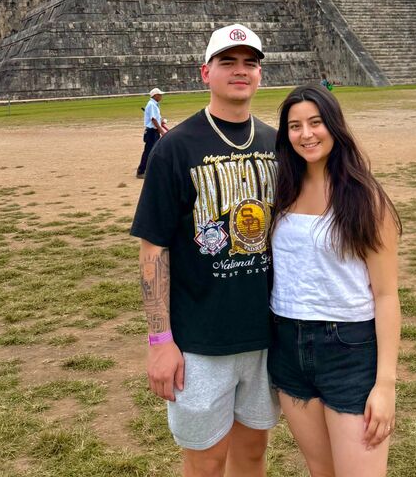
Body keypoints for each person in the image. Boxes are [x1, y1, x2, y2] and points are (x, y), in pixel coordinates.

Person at [131, 24, 280, 476]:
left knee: (253, 453)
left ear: (258, 76)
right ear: (205, 72)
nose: (241, 71)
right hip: (198, 341)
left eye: (250, 64)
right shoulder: (175, 148)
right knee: (205, 463)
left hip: (265, 335)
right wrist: (160, 341)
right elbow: (152, 250)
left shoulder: (278, 144)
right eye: (228, 62)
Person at [268, 84, 401, 477]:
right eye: (294, 126)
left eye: (315, 122)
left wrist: (385, 385)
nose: (306, 134)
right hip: (288, 343)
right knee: (320, 470)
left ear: (334, 127)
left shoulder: (364, 198)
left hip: (349, 347)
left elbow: (387, 295)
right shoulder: (282, 190)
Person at [136, 87, 167, 178]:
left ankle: (151, 169)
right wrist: (161, 130)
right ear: (155, 95)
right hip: (151, 132)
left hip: (154, 130)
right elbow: (153, 119)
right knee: (148, 151)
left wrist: (161, 121)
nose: (161, 96)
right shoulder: (152, 105)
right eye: (160, 95)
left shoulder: (155, 104)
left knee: (154, 151)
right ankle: (141, 171)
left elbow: (156, 118)